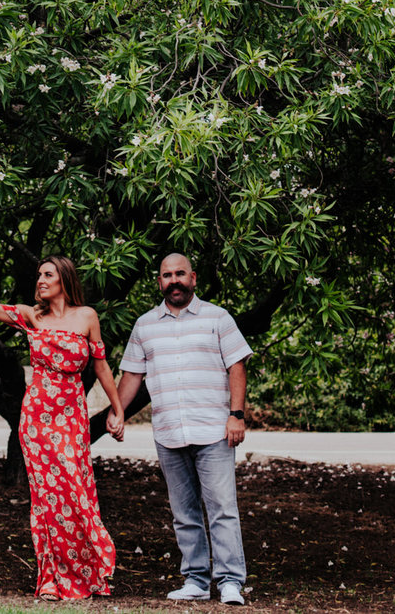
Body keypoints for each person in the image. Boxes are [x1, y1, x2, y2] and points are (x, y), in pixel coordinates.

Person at [0, 225, 125, 600]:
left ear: (65, 278)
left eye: (48, 274)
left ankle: (89, 574)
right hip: (37, 419)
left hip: (72, 418)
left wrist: (118, 410)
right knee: (47, 498)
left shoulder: (87, 317)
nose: (41, 280)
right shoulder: (32, 316)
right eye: (39, 275)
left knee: (77, 492)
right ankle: (51, 579)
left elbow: (102, 367)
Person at [113, 252, 251, 606]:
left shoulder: (217, 318)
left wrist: (237, 414)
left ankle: (231, 582)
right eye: (166, 275)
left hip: (214, 432)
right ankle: (196, 580)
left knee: (222, 508)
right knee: (183, 512)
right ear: (159, 282)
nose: (173, 280)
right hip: (169, 433)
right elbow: (132, 375)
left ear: (193, 278)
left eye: (179, 274)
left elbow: (236, 366)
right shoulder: (145, 325)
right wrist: (118, 412)